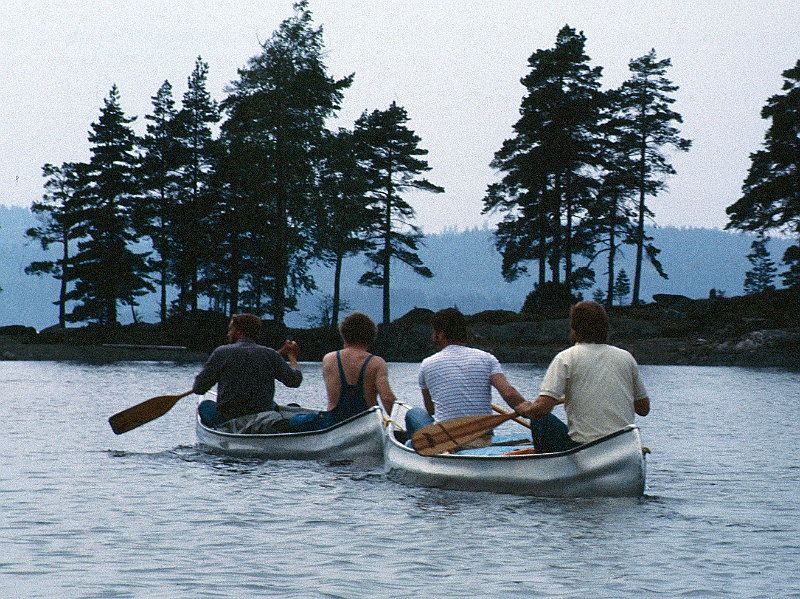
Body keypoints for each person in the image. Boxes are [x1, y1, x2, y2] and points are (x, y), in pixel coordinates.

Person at [517, 301, 650, 453]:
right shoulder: (626, 357)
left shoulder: (566, 358)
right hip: (623, 446)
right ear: (605, 328)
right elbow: (643, 409)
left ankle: (549, 467)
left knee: (540, 420)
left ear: (574, 329)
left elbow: (541, 410)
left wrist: (526, 410)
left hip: (585, 448)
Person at [405, 307, 533, 446]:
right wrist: (526, 408)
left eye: (433, 332)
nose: (432, 337)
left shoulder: (426, 364)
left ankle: (417, 449)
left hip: (447, 439)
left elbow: (431, 410)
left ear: (440, 335)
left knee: (414, 413)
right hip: (482, 436)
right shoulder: (487, 358)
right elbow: (508, 393)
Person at [288, 312, 397, 432]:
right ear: (371, 337)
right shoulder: (377, 363)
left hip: (334, 423)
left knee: (293, 420)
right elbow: (387, 398)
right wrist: (398, 426)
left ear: (344, 334)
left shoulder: (329, 359)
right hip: (367, 425)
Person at [194, 313, 302, 428]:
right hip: (263, 414)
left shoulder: (221, 352)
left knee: (205, 405)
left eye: (230, 330)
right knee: (285, 406)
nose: (228, 334)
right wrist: (292, 357)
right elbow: (295, 380)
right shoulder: (270, 354)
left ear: (239, 332)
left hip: (231, 417)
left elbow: (198, 388)